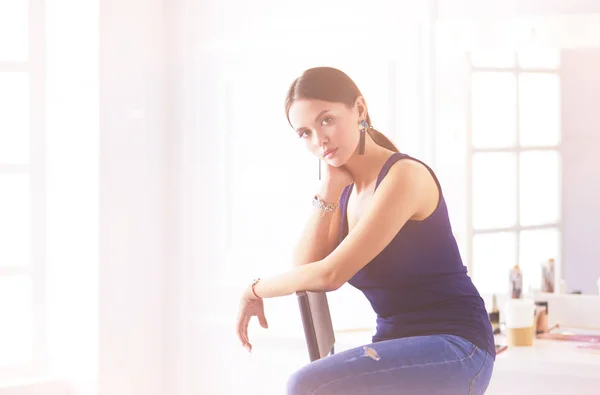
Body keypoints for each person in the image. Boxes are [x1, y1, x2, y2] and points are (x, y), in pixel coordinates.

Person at [235, 67, 495, 395]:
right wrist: (328, 189)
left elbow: (329, 275)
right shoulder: (345, 192)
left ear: (359, 109)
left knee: (308, 383)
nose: (319, 140)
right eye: (305, 133)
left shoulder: (404, 177)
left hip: (457, 347)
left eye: (326, 120)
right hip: (397, 344)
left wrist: (253, 290)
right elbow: (304, 272)